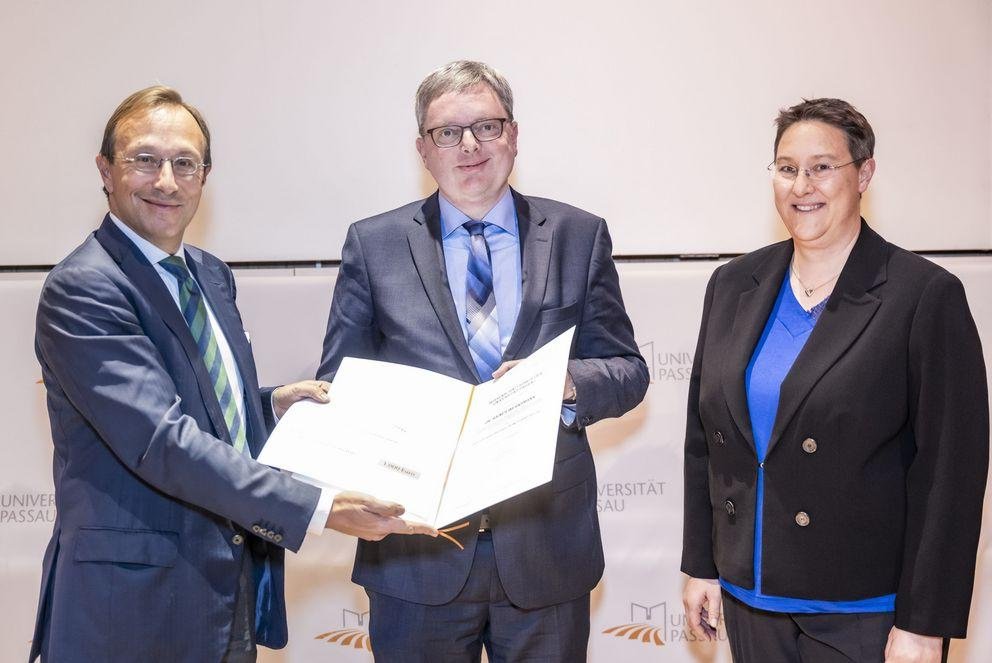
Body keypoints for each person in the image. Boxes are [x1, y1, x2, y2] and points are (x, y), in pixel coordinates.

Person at [30, 86, 434, 663]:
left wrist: (267, 406)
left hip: (222, 591)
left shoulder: (209, 276)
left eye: (185, 163)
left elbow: (201, 405)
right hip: (129, 610)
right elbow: (160, 440)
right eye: (144, 159)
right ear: (105, 170)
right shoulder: (85, 288)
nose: (166, 181)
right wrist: (318, 507)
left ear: (205, 175)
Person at [316, 60, 648, 662]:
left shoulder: (579, 234)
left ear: (514, 135)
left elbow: (627, 369)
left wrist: (566, 383)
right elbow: (341, 382)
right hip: (416, 553)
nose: (469, 146)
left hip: (546, 548)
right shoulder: (374, 244)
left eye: (487, 127)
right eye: (447, 132)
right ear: (423, 148)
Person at [681, 98, 989, 663]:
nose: (803, 186)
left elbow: (950, 472)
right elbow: (706, 443)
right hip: (751, 598)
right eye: (787, 168)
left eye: (823, 167)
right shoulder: (732, 284)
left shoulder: (922, 296)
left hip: (864, 611)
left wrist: (924, 624)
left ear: (864, 173)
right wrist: (701, 564)